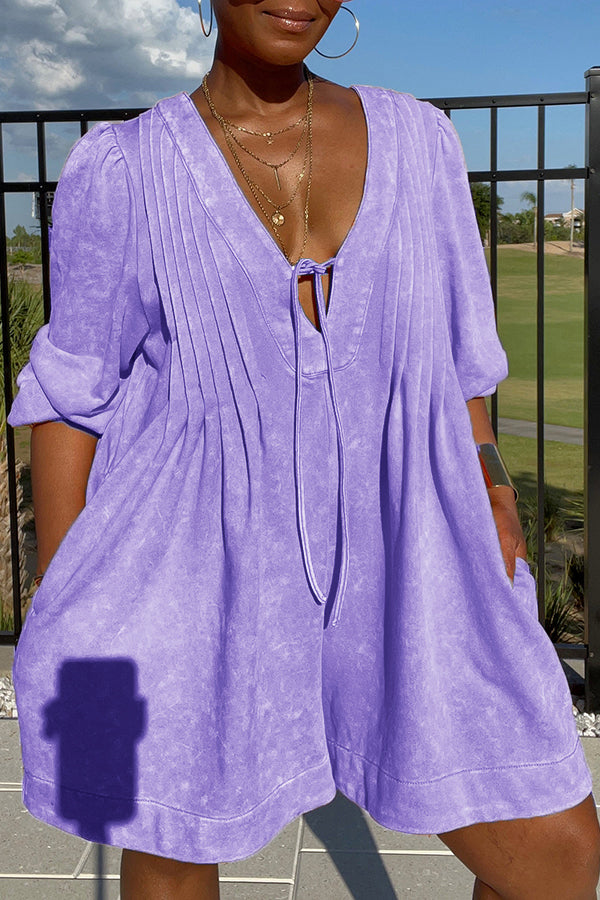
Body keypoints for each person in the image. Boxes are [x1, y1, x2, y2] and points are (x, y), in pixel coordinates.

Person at [7, 1, 600, 897]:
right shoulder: (125, 169)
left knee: (557, 851)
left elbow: (460, 353)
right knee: (170, 841)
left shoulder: (422, 143)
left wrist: (491, 480)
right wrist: (71, 600)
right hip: (190, 556)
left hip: (411, 540)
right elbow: (71, 392)